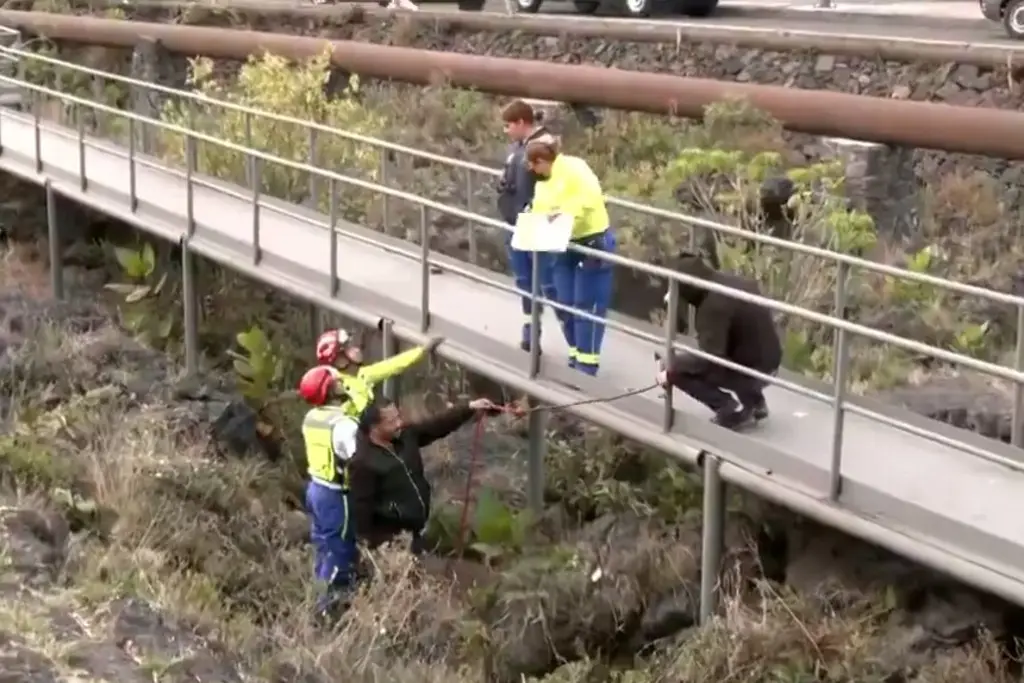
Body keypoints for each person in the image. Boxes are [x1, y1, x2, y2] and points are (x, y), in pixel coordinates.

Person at [348, 397, 499, 554]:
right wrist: (370, 548)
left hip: (416, 530)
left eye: (398, 417)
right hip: (393, 541)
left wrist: (469, 408)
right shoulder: (364, 463)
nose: (399, 423)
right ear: (374, 428)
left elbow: (438, 425)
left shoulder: (406, 436)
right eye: (391, 422)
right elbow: (361, 509)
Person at [656, 252, 782, 430]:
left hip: (753, 371)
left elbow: (712, 360)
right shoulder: (731, 282)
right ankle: (755, 403)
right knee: (738, 346)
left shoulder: (712, 309)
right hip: (770, 363)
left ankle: (730, 408)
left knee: (675, 367)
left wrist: (670, 372)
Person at [525, 137, 616, 376]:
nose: (532, 171)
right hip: (564, 244)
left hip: (591, 241)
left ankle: (587, 366)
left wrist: (563, 217)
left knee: (586, 306)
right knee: (564, 301)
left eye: (533, 165)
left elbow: (588, 199)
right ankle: (576, 354)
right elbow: (540, 208)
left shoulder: (575, 169)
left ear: (542, 161)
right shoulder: (543, 182)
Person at [296, 366, 361, 618]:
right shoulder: (343, 425)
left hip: (315, 489)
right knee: (340, 550)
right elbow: (358, 458)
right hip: (336, 495)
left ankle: (317, 600)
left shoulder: (311, 417)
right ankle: (330, 611)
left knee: (323, 548)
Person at [497, 100, 555, 353]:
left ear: (521, 123)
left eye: (508, 125)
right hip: (516, 223)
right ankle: (530, 334)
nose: (506, 131)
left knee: (544, 283)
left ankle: (577, 347)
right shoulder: (519, 147)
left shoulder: (543, 146)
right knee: (525, 282)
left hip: (534, 223)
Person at [312, 327, 444, 417]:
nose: (356, 348)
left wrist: (423, 350)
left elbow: (393, 365)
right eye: (348, 348)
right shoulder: (341, 390)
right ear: (340, 361)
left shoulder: (361, 374)